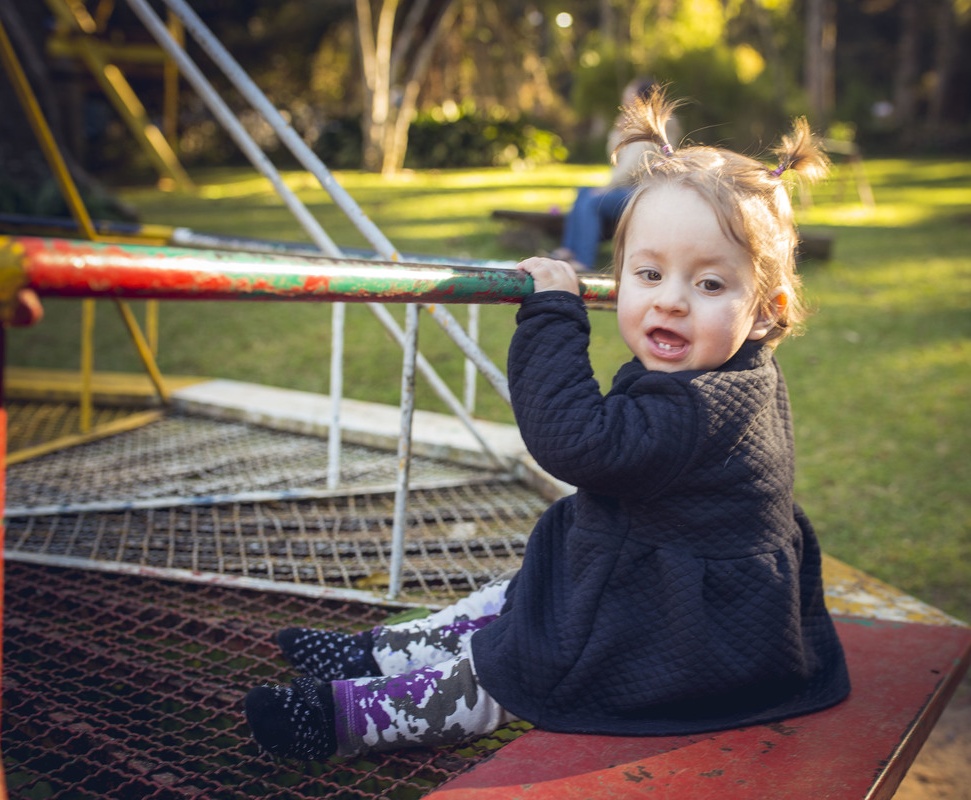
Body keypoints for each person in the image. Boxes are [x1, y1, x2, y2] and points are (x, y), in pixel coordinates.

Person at [244, 88, 851, 761]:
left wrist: (554, 314)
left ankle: (361, 716)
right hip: (701, 595)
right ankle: (387, 652)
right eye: (648, 273)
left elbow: (574, 438)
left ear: (768, 309)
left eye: (710, 285)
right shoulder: (734, 372)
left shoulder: (699, 405)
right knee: (525, 590)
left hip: (684, 634)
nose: (672, 301)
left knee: (527, 655)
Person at [550, 77, 676, 272]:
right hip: (631, 188)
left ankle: (584, 260)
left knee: (593, 201)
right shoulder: (636, 123)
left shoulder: (656, 124)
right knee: (583, 191)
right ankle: (570, 250)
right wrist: (619, 132)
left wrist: (607, 188)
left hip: (645, 192)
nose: (625, 101)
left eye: (629, 96)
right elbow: (616, 157)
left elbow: (631, 168)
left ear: (642, 99)